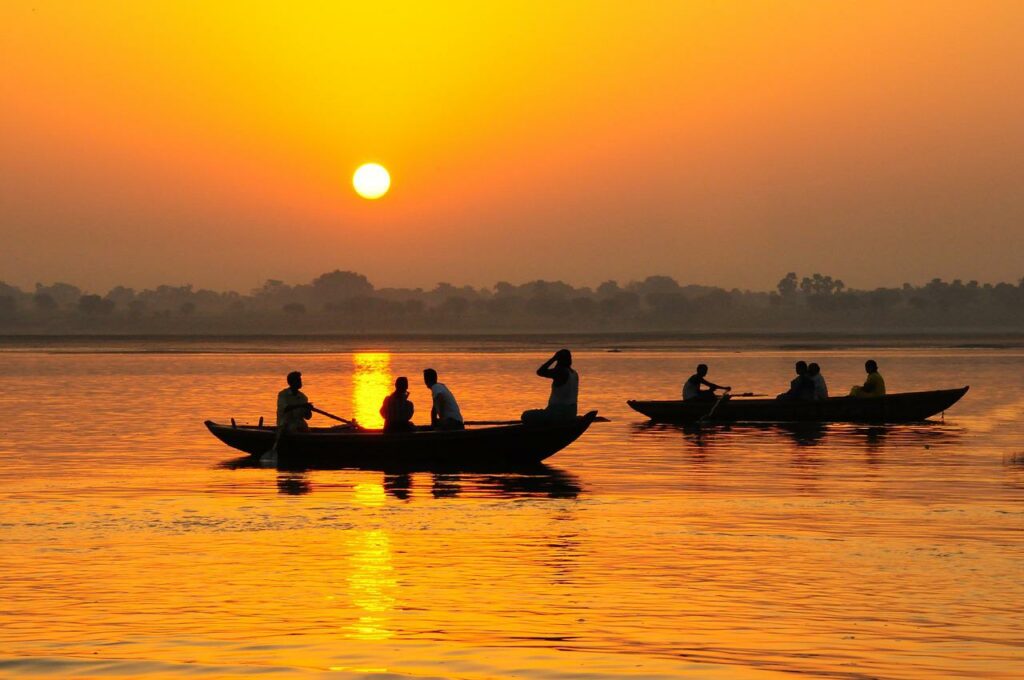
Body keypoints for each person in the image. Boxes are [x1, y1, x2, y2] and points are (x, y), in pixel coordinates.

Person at [521, 349, 579, 425]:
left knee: (525, 415)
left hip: (557, 413)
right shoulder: (574, 373)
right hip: (571, 413)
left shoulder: (560, 371)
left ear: (559, 359)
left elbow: (540, 372)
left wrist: (553, 359)